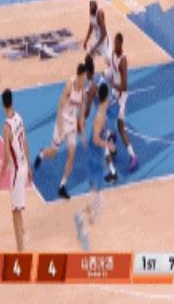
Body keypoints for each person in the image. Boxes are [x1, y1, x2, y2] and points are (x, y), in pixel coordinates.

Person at [34, 63, 87, 200]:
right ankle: (42, 153)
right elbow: (60, 105)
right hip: (62, 121)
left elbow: (82, 110)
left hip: (72, 124)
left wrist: (81, 128)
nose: (85, 80)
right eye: (84, 77)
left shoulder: (83, 91)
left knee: (72, 154)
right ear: (79, 76)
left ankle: (62, 186)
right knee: (53, 153)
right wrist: (59, 124)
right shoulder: (69, 86)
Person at [74, 82, 113, 251]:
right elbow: (96, 139)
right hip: (95, 158)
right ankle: (83, 226)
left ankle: (80, 218)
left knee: (96, 197)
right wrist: (108, 145)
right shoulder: (100, 117)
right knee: (99, 200)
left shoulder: (101, 115)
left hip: (96, 157)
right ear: (107, 98)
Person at [0, 89, 33, 252]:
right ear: (12, 101)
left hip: (17, 172)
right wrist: (29, 167)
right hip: (24, 166)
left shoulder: (6, 127)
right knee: (18, 207)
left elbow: (6, 157)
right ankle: (23, 230)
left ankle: (20, 250)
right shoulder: (19, 118)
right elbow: (25, 143)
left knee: (15, 212)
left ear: (2, 104)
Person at [105, 33, 138, 183]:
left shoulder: (123, 61)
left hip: (121, 98)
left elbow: (124, 86)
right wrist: (106, 76)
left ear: (121, 44)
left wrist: (112, 84)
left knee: (119, 127)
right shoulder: (113, 55)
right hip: (114, 94)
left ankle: (132, 156)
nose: (116, 46)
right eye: (115, 43)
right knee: (117, 126)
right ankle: (114, 144)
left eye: (117, 44)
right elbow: (112, 72)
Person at [83, 0, 111, 66]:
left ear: (96, 4)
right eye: (90, 4)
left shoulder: (99, 14)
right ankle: (89, 72)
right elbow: (91, 26)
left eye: (92, 4)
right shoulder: (91, 11)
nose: (91, 6)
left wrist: (95, 47)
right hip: (96, 39)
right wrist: (86, 40)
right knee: (88, 58)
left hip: (104, 41)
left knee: (109, 62)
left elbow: (104, 34)